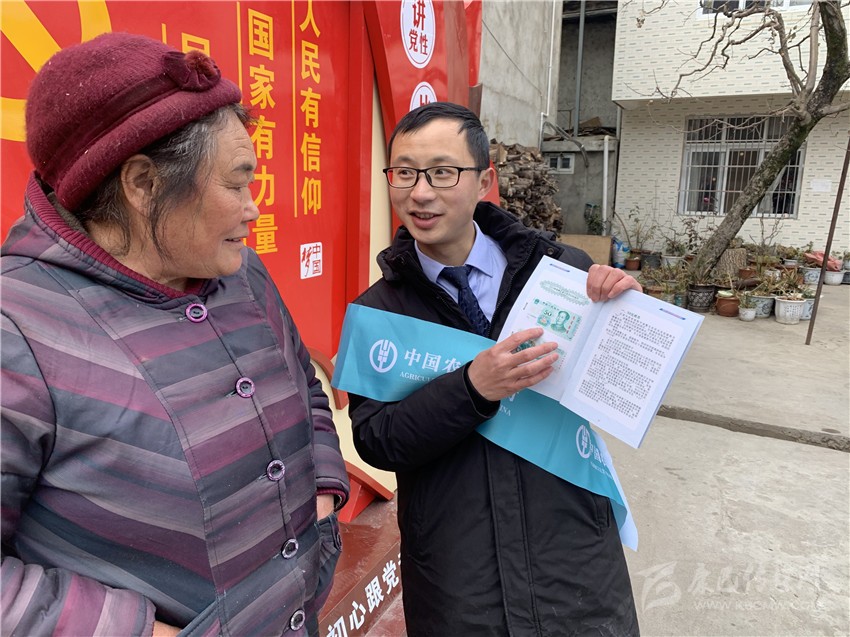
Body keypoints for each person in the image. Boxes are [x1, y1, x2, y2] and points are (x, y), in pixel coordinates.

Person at [1, 33, 349, 637]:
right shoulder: (19, 327)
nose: (253, 208)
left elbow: (305, 387)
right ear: (143, 184)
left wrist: (320, 492)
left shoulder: (242, 273)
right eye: (235, 183)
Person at [348, 102, 641, 636]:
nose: (420, 193)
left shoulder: (564, 275)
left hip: (573, 556)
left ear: (484, 181)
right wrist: (471, 388)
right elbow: (375, 441)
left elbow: (623, 387)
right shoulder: (377, 313)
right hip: (459, 575)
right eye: (404, 173)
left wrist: (626, 316)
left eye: (442, 172)